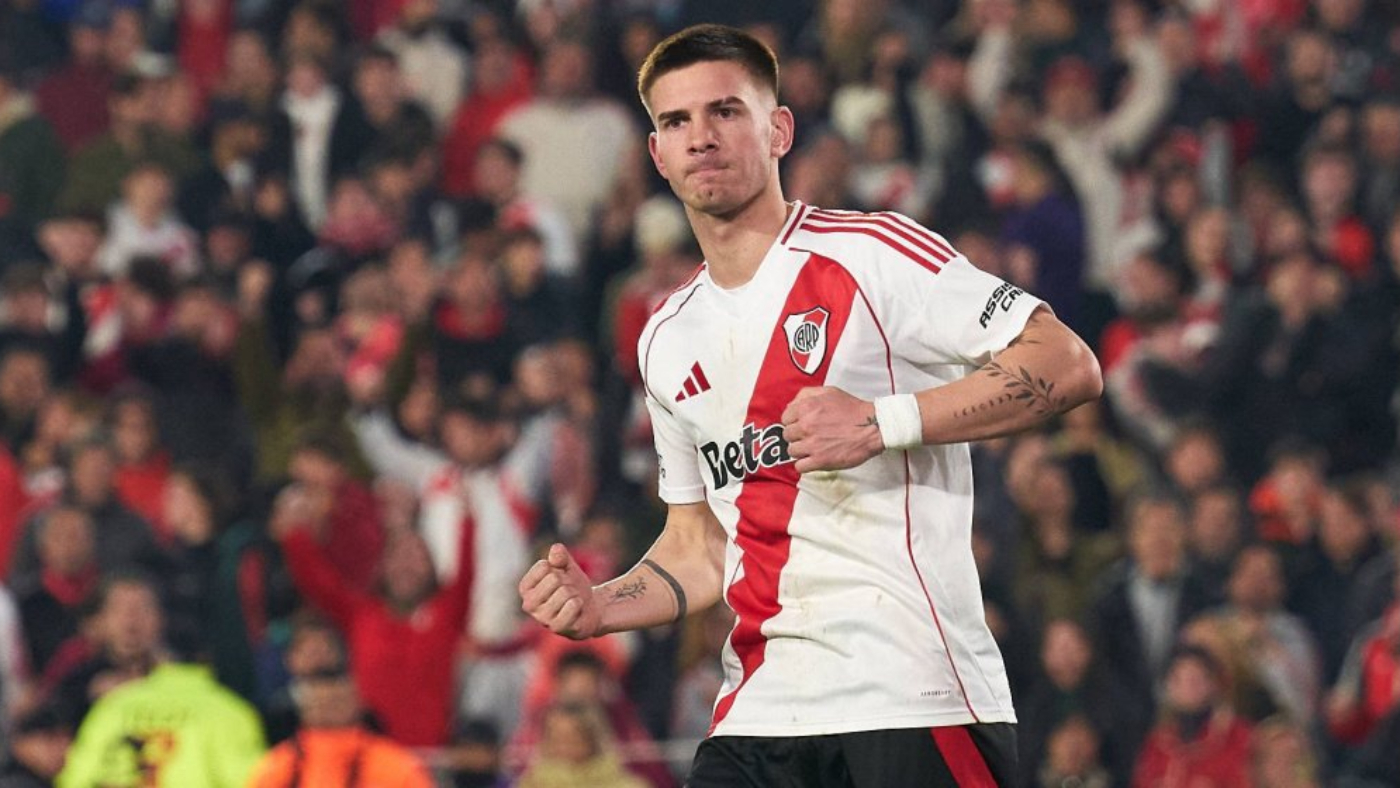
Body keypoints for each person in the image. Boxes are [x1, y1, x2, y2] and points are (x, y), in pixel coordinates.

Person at [519, 24, 1103, 787]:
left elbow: (1065, 362)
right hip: (757, 715)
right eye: (677, 121)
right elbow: (701, 545)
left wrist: (883, 422)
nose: (701, 137)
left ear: (780, 130)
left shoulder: (873, 253)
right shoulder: (666, 336)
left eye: (726, 111)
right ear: (658, 155)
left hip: (911, 696)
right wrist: (602, 605)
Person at [246, 664, 434, 788]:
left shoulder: (392, 765)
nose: (328, 708)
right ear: (305, 709)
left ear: (357, 704)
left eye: (335, 702)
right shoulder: (281, 766)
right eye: (321, 703)